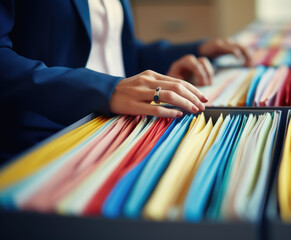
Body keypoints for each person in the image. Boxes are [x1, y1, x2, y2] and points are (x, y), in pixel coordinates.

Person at [0, 0, 251, 161]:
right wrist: (107, 90)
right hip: (48, 139)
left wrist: (198, 49)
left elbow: (122, 52)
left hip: (118, 126)